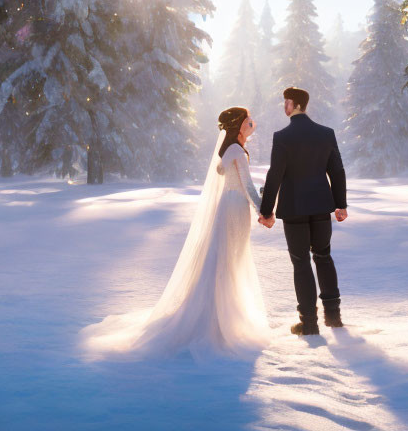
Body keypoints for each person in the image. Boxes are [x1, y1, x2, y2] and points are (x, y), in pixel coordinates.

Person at [79, 107, 270, 360]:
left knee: (227, 259)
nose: (252, 124)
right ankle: (221, 320)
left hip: (230, 205)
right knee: (230, 261)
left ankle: (221, 313)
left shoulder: (230, 150)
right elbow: (246, 185)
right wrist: (263, 211)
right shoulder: (236, 150)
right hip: (235, 207)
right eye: (248, 121)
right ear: (238, 124)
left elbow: (227, 173)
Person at [258, 86, 348, 336]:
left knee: (301, 263)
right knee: (324, 256)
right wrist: (341, 205)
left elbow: (275, 174)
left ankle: (308, 323)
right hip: (321, 206)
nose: (283, 106)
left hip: (295, 208)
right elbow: (337, 171)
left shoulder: (282, 137)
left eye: (285, 102)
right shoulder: (326, 134)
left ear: (295, 104)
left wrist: (267, 210)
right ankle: (334, 316)